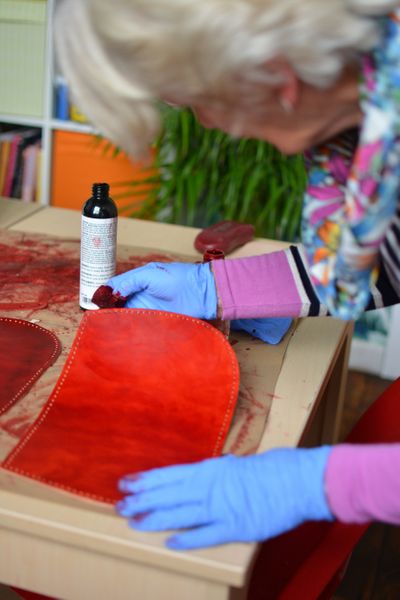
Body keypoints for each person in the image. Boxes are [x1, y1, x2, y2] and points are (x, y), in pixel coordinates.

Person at [54, 0, 400, 550]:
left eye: (195, 104)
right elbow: (392, 263)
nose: (205, 124)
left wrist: (325, 484)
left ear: (275, 76)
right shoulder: (364, 119)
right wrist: (214, 288)